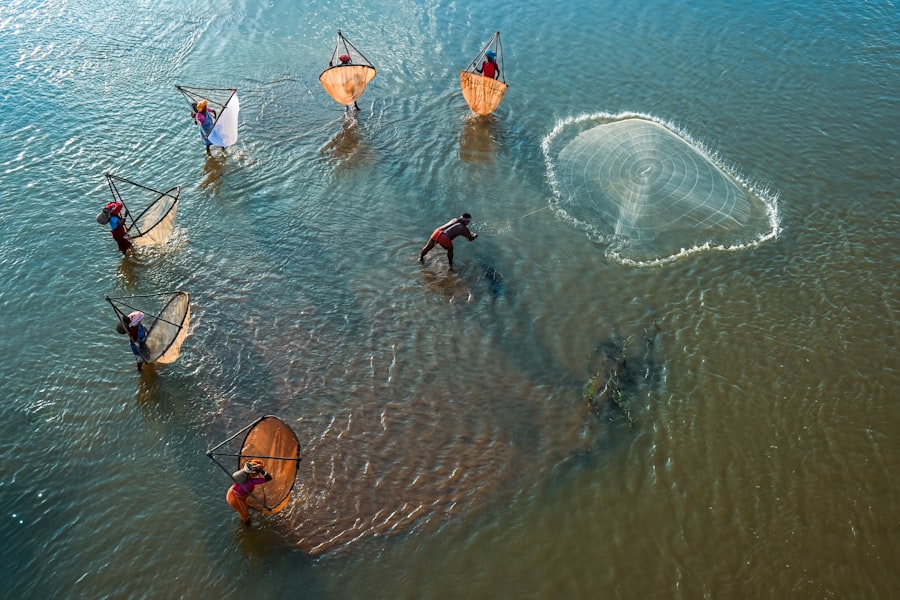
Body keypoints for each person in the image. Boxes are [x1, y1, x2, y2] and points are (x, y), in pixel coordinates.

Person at [226, 459, 273, 525]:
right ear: (252, 473)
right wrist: (262, 471)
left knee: (246, 509)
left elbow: (249, 464)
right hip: (235, 498)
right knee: (245, 517)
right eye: (257, 473)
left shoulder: (243, 473)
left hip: (235, 493)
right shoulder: (251, 481)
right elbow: (269, 478)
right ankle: (246, 526)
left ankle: (245, 514)